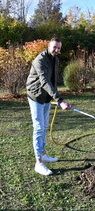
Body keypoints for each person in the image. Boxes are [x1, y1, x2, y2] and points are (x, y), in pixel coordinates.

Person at [26, 38, 71, 176]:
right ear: (48, 46)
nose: (57, 50)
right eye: (54, 47)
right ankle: (39, 163)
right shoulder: (39, 60)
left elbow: (52, 82)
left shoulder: (55, 59)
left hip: (46, 97)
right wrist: (60, 100)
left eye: (59, 48)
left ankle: (43, 154)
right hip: (36, 96)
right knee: (39, 128)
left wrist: (57, 99)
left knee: (44, 126)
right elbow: (44, 82)